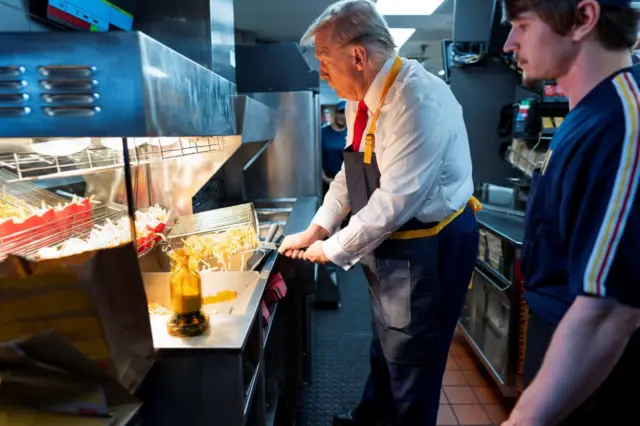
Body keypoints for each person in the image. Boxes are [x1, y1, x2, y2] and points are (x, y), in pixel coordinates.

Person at [279, 1, 480, 424]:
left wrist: (332, 249)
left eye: (324, 60)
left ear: (356, 56)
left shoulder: (417, 100)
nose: (321, 72)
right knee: (386, 342)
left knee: (412, 358)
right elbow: (348, 177)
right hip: (392, 242)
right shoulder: (360, 98)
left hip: (428, 245)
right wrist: (317, 229)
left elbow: (394, 202)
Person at [500, 1, 640, 425]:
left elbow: (609, 309)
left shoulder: (625, 121)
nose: (509, 43)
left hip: (599, 370)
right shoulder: (587, 113)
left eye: (522, 25)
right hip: (563, 344)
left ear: (583, 18)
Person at [322, 100, 348, 191]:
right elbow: (317, 158)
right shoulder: (323, 132)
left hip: (346, 182)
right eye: (341, 112)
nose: (343, 116)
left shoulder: (351, 133)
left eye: (346, 113)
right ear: (335, 114)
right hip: (327, 180)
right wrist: (325, 178)